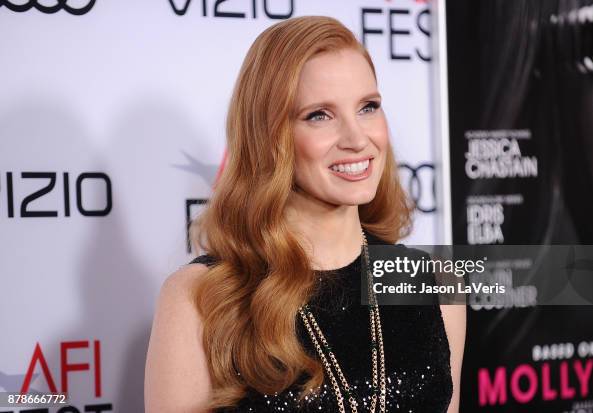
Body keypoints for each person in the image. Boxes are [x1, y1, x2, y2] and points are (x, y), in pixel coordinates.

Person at [144, 15, 465, 413]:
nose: (356, 138)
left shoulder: (435, 285)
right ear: (269, 135)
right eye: (319, 115)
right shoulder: (201, 297)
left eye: (368, 107)